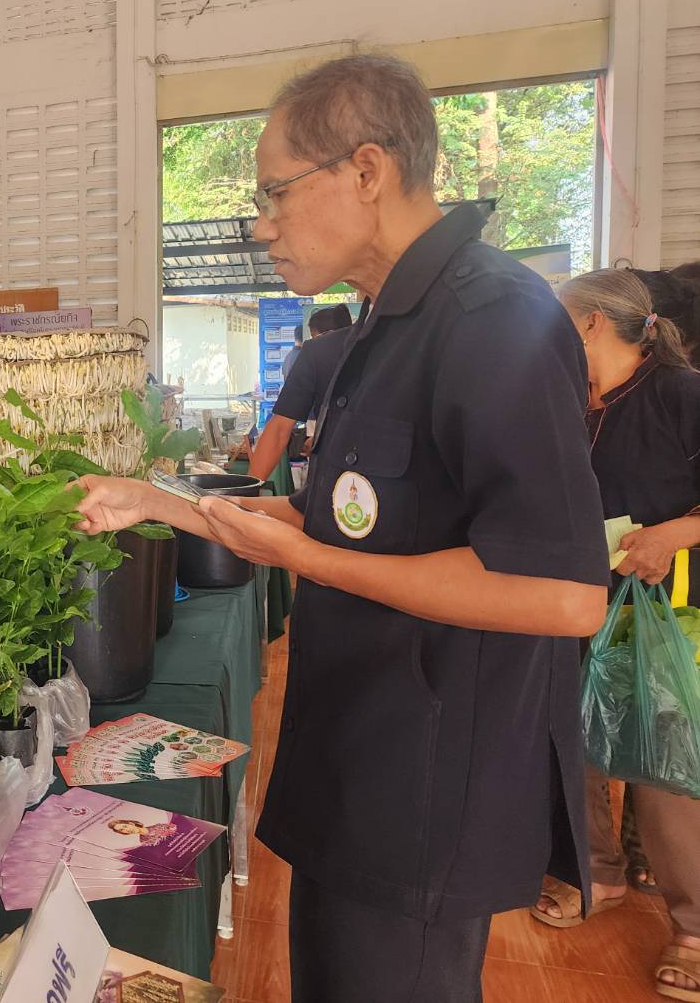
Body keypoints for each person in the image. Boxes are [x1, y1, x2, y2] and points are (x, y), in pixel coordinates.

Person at [76, 54, 609, 1002]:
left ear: (366, 171)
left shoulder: (492, 318)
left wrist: (312, 560)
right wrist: (158, 503)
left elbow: (561, 595)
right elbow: (339, 524)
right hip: (358, 760)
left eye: (274, 193)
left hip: (424, 782)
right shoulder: (382, 326)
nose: (261, 224)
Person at [529, 269, 700, 1000]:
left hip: (661, 608)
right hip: (575, 600)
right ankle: (593, 871)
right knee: (576, 743)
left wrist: (672, 534)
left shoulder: (679, 394)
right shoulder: (571, 401)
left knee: (664, 767)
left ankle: (693, 924)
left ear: (592, 322)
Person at [248, 303, 355, 480]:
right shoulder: (386, 346)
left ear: (327, 334)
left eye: (314, 336)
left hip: (336, 473)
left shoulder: (318, 351)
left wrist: (249, 489)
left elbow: (280, 429)